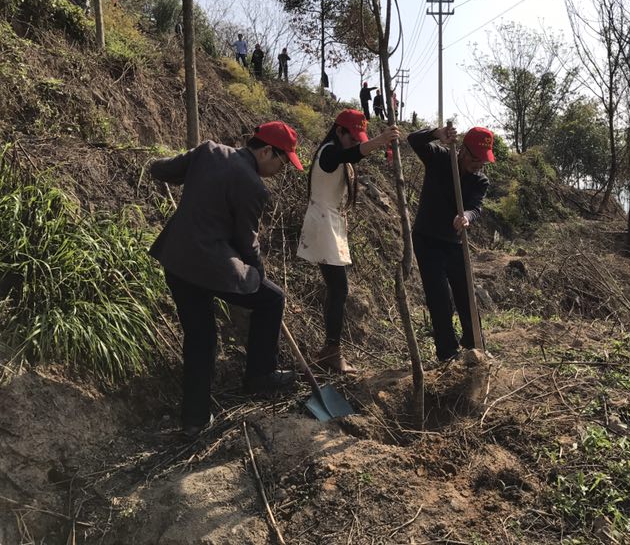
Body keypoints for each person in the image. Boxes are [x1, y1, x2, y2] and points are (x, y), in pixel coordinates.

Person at [149, 122, 304, 438]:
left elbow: (162, 171)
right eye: (281, 161)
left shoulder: (208, 151)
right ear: (265, 151)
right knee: (272, 298)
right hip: (210, 268)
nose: (281, 168)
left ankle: (194, 420)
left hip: (176, 260)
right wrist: (258, 274)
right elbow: (247, 243)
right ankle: (260, 374)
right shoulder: (253, 186)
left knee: (200, 338)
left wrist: (188, 176)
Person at [297, 110, 399, 373]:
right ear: (339, 131)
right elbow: (348, 155)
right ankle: (331, 350)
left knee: (337, 288)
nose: (354, 143)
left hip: (330, 222)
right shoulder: (329, 152)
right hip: (323, 222)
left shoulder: (337, 152)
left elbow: (350, 157)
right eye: (352, 138)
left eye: (357, 140)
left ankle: (330, 348)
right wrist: (378, 141)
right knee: (339, 288)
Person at [407, 124, 495, 362]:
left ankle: (475, 345)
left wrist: (466, 216)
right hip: (427, 239)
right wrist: (436, 133)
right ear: (463, 150)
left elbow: (476, 207)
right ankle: (447, 353)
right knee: (440, 297)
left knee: (466, 293)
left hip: (456, 242)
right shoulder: (440, 158)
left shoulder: (480, 180)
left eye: (484, 161)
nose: (479, 165)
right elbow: (413, 140)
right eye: (476, 158)